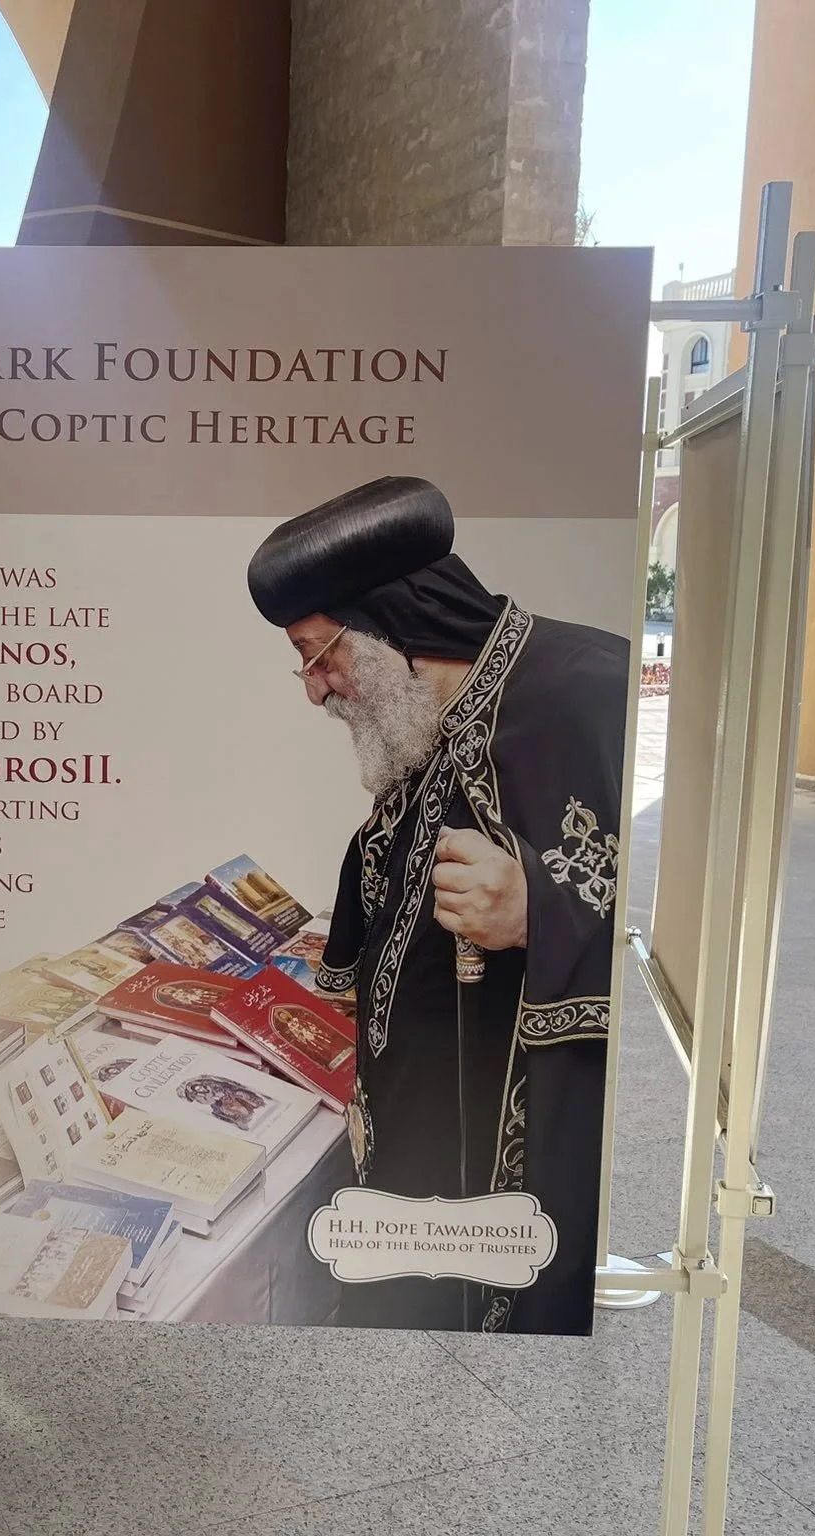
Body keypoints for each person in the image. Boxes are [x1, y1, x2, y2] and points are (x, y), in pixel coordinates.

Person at [248, 474, 627, 1333]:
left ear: (389, 622)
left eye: (318, 654)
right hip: (414, 1155)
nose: (314, 688)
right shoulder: (427, 714)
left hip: (513, 1177)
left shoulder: (591, 689)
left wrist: (536, 913)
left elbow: (685, 933)